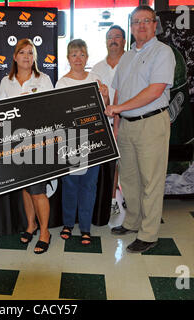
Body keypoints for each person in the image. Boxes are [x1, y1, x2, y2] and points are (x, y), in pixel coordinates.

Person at [104, 5, 175, 253]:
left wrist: (119, 107)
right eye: (136, 22)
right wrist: (116, 124)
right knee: (129, 179)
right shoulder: (126, 56)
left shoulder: (162, 52)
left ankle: (148, 233)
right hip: (126, 125)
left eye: (146, 21)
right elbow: (118, 92)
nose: (141, 26)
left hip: (151, 123)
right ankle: (132, 221)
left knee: (151, 181)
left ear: (155, 24)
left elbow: (154, 91)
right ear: (131, 27)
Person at [0, 38, 53, 254]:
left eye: (30, 53)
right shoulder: (6, 81)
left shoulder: (44, 79)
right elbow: (0, 112)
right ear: (14, 56)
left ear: (34, 58)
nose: (27, 56)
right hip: (16, 143)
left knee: (38, 191)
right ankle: (31, 225)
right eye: (22, 52)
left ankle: (45, 232)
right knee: (25, 188)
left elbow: (51, 109)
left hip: (39, 142)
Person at [55, 39, 109, 245]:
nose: (78, 59)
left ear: (87, 57)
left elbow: (105, 108)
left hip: (94, 138)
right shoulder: (62, 82)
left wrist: (105, 96)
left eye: (82, 54)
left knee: (89, 185)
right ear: (68, 58)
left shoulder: (95, 78)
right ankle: (68, 224)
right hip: (70, 140)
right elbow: (58, 113)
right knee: (70, 184)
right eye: (74, 55)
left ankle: (85, 227)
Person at [91, 25, 126, 216]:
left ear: (124, 40)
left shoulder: (131, 63)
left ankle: (127, 198)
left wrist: (119, 123)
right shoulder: (97, 68)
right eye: (109, 37)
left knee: (127, 165)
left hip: (128, 121)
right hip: (103, 124)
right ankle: (111, 199)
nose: (113, 40)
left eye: (117, 36)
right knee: (110, 166)